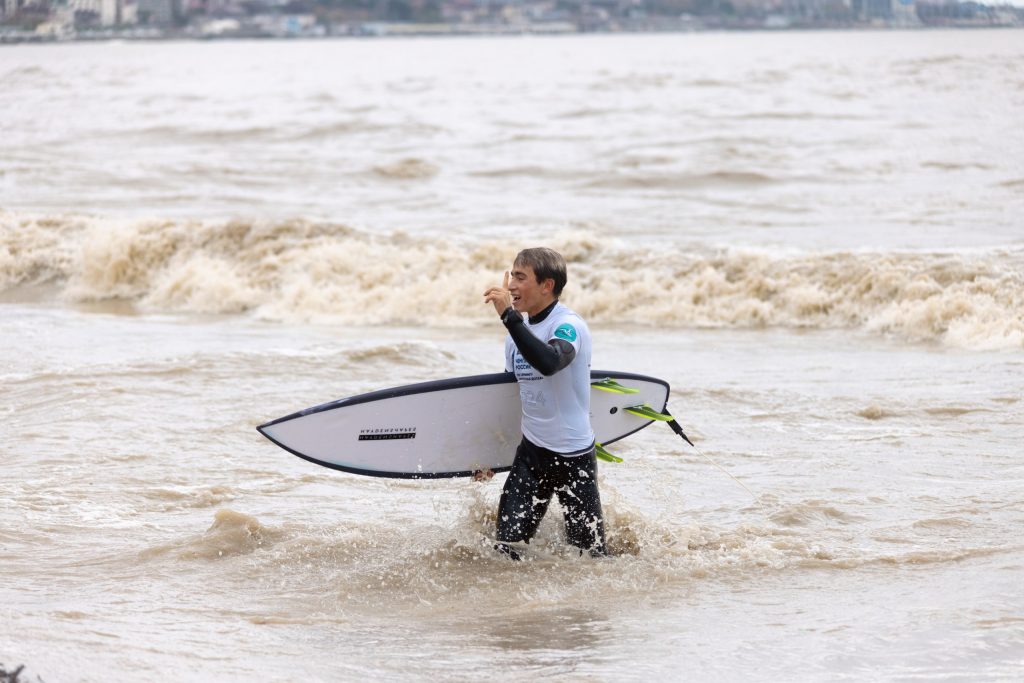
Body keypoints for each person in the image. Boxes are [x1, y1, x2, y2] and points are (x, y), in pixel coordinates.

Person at [483, 247, 607, 560]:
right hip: (532, 455)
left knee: (592, 559)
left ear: (546, 285)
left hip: (573, 459)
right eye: (511, 276)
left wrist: (509, 318)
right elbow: (513, 401)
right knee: (505, 552)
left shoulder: (569, 326)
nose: (511, 285)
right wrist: (486, 456)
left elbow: (550, 362)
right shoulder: (516, 335)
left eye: (520, 278)